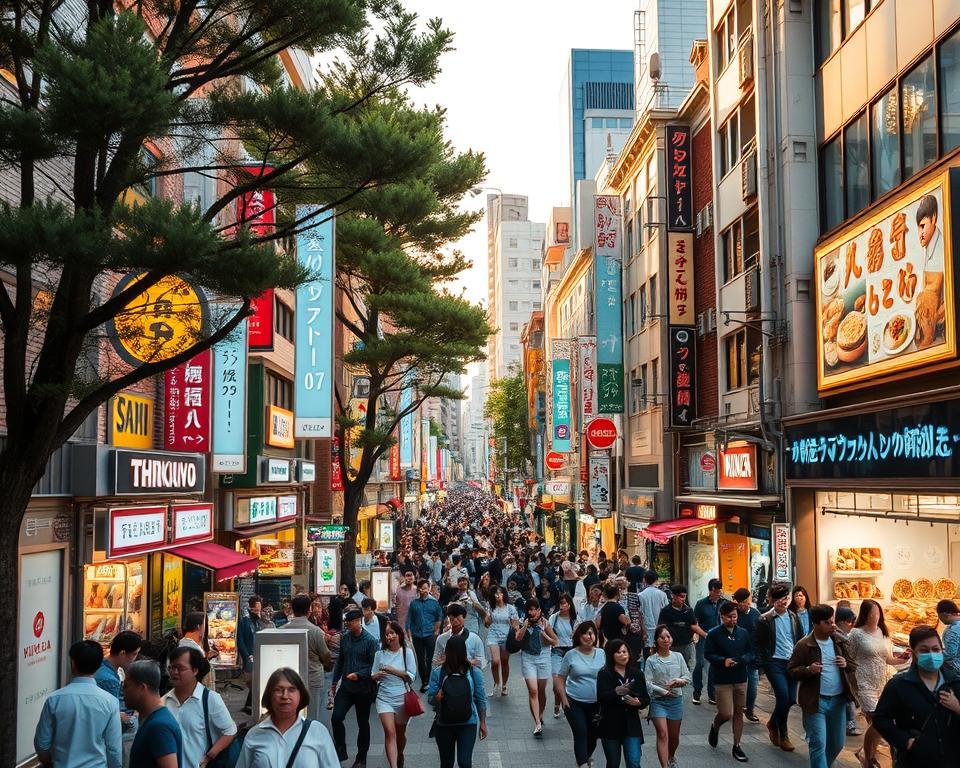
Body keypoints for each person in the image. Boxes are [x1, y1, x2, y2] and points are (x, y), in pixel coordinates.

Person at [872, 625, 960, 767]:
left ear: (942, 651)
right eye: (924, 651)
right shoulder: (899, 685)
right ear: (913, 654)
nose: (931, 655)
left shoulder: (955, 683)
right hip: (914, 760)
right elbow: (880, 719)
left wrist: (957, 708)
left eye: (936, 649)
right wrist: (905, 741)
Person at [787, 603, 859, 768]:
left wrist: (845, 663)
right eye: (827, 622)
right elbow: (791, 670)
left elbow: (853, 665)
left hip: (838, 701)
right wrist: (808, 669)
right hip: (815, 702)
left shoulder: (839, 641)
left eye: (832, 621)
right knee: (818, 744)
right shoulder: (804, 645)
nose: (832, 625)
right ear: (816, 624)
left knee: (837, 743)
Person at [34, 639, 123, 768]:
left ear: (73, 663)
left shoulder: (54, 700)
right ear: (98, 666)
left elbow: (42, 744)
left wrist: (48, 761)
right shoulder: (110, 702)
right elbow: (114, 749)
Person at [846, 599, 909, 768]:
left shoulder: (882, 631)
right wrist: (851, 683)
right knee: (877, 722)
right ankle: (868, 757)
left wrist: (900, 659)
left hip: (883, 681)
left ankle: (865, 754)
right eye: (872, 613)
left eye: (878, 613)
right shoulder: (856, 634)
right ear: (865, 615)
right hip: (864, 681)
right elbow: (849, 659)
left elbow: (887, 658)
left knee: (880, 724)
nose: (875, 616)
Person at [238, 667, 339, 768]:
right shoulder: (254, 735)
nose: (285, 696)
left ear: (301, 695)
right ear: (269, 696)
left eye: (291, 690)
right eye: (278, 690)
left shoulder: (317, 731)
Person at [163, 646, 237, 768]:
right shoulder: (165, 701)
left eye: (180, 668)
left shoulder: (210, 699)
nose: (174, 672)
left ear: (195, 670)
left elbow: (230, 730)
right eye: (171, 667)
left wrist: (211, 754)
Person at [753, 582, 802, 751]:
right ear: (772, 600)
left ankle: (773, 723)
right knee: (783, 697)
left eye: (786, 598)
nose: (784, 602)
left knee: (791, 699)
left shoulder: (794, 617)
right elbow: (758, 644)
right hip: (774, 662)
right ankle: (784, 734)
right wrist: (761, 665)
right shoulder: (764, 619)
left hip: (792, 662)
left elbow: (800, 640)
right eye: (780, 599)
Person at [427, 633, 488, 768]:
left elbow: (480, 698)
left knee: (464, 762)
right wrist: (436, 698)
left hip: (468, 723)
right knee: (447, 763)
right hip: (444, 723)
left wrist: (483, 722)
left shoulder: (473, 672)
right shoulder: (438, 672)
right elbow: (430, 698)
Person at [330, 608, 379, 768]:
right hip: (346, 686)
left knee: (362, 722)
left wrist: (359, 674)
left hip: (363, 688)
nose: (348, 626)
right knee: (336, 717)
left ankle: (361, 757)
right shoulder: (345, 639)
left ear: (359, 621)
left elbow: (375, 666)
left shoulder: (370, 641)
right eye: (346, 623)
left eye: (350, 623)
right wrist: (334, 681)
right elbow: (340, 660)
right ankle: (341, 748)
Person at [705, 601, 752, 763]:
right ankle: (715, 725)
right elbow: (708, 654)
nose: (733, 620)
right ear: (722, 617)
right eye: (729, 617)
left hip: (740, 677)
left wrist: (744, 659)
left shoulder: (744, 633)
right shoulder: (714, 633)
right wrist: (722, 661)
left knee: (739, 712)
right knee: (726, 713)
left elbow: (751, 652)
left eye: (735, 616)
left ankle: (737, 745)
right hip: (722, 679)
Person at [557, 622, 606, 768]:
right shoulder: (570, 655)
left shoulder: (602, 654)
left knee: (593, 735)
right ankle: (583, 763)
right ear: (579, 636)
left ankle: (586, 756)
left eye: (591, 633)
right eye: (585, 633)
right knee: (581, 733)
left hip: (597, 704)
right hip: (574, 702)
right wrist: (563, 699)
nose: (588, 636)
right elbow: (560, 678)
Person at [644, 625, 692, 768]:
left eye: (668, 637)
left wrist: (679, 681)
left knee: (674, 737)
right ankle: (664, 765)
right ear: (656, 640)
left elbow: (687, 676)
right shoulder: (651, 660)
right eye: (662, 637)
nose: (666, 640)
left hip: (676, 700)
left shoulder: (678, 657)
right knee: (662, 733)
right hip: (658, 701)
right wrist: (662, 691)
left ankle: (671, 756)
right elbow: (647, 682)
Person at [372, 621, 418, 768]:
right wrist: (376, 675)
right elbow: (372, 674)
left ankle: (400, 754)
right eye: (386, 634)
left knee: (400, 733)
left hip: (402, 697)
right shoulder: (380, 653)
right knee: (390, 732)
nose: (389, 637)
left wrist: (392, 671)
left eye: (392, 633)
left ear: (399, 635)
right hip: (384, 697)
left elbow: (412, 676)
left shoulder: (407, 652)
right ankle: (393, 765)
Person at [597, 639, 648, 768]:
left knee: (634, 762)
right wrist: (615, 692)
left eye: (624, 651)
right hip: (610, 724)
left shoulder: (637, 673)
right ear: (611, 655)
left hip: (631, 724)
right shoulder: (604, 674)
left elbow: (645, 698)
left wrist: (638, 702)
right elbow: (601, 697)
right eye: (618, 652)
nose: (622, 655)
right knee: (613, 763)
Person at [281, 594, 333, 719]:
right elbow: (326, 656)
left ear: (292, 610)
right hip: (312, 677)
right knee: (311, 716)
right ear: (309, 610)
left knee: (289, 714)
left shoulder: (282, 630)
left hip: (288, 677)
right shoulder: (316, 631)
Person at [124, 659, 184, 767]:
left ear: (142, 688)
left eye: (126, 686)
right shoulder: (153, 720)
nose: (123, 691)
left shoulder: (159, 726)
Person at [515, 597, 558, 736]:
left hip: (543, 657)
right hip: (528, 658)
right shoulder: (524, 621)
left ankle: (540, 713)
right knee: (533, 691)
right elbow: (518, 638)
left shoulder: (545, 623)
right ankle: (537, 723)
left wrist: (544, 633)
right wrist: (525, 626)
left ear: (539, 610)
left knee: (541, 690)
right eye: (530, 609)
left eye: (535, 609)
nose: (532, 612)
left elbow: (555, 641)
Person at [95, 629, 142, 737]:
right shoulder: (110, 680)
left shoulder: (102, 666)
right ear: (122, 653)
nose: (134, 659)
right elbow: (113, 719)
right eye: (134, 654)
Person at [657, 584, 705, 677]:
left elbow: (694, 626)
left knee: (686, 669)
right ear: (673, 596)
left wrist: (705, 635)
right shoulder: (666, 611)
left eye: (684, 597)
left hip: (687, 645)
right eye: (681, 597)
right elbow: (660, 627)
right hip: (672, 646)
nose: (683, 599)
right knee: (672, 669)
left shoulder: (688, 610)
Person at [406, 578, 444, 692]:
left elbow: (439, 617)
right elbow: (409, 620)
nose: (423, 590)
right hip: (417, 635)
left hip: (430, 634)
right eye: (421, 588)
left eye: (425, 588)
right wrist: (409, 635)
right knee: (421, 660)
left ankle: (429, 679)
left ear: (428, 589)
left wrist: (436, 630)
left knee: (430, 658)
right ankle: (424, 681)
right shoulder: (414, 603)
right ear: (418, 590)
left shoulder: (434, 602)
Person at [693, 578, 725, 705]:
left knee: (714, 665)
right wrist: (703, 634)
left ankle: (712, 694)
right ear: (711, 590)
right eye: (716, 591)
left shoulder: (722, 603)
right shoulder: (701, 604)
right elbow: (695, 622)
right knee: (700, 663)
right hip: (704, 637)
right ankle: (697, 691)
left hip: (718, 639)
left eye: (720, 591)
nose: (719, 594)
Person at [732, 587, 762, 722]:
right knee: (737, 684)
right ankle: (736, 708)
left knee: (753, 684)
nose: (745, 604)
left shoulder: (756, 614)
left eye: (747, 600)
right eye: (742, 602)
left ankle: (749, 709)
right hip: (737, 655)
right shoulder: (734, 615)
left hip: (753, 655)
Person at [833, 605, 862, 736]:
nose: (852, 625)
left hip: (845, 671)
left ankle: (848, 723)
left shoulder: (844, 634)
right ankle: (850, 725)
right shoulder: (837, 634)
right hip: (841, 672)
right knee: (848, 698)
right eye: (851, 622)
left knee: (847, 699)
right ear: (843, 621)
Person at [485, 585, 519, 696]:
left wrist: (514, 626)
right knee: (495, 661)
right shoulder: (490, 607)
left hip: (506, 636)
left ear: (504, 594)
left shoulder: (510, 608)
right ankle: (496, 683)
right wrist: (487, 619)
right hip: (493, 634)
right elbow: (487, 624)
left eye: (499, 593)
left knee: (504, 661)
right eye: (495, 593)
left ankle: (504, 685)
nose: (497, 595)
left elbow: (516, 624)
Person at [432, 603, 487, 671]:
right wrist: (443, 662)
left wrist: (468, 662)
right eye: (452, 618)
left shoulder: (474, 638)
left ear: (464, 617)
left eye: (458, 617)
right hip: (448, 674)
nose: (455, 621)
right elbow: (435, 662)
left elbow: (482, 661)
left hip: (468, 672)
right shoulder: (441, 639)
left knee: (477, 673)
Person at [238, 595, 268, 714]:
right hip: (249, 655)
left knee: (257, 681)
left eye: (259, 609)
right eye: (256, 610)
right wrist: (246, 655)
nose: (258, 612)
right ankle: (250, 704)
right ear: (251, 608)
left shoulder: (260, 621)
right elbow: (240, 640)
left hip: (260, 654)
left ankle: (250, 704)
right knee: (251, 680)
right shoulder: (245, 621)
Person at [549, 592, 577, 718]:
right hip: (557, 651)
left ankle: (565, 704)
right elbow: (547, 631)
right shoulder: (554, 618)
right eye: (560, 603)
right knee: (557, 683)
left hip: (571, 652)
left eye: (565, 603)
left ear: (569, 604)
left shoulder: (575, 619)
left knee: (568, 682)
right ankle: (557, 703)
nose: (562, 605)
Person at [180, 611, 218, 687]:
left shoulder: (193, 643)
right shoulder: (190, 646)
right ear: (198, 626)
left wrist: (207, 658)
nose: (206, 628)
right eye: (204, 625)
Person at [637, 570, 668, 659]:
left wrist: (643, 631)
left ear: (645, 580)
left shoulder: (641, 595)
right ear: (657, 580)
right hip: (660, 628)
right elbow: (665, 612)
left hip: (647, 629)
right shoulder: (662, 594)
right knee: (661, 654)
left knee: (648, 656)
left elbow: (640, 615)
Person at [599, 582, 631, 646]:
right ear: (617, 594)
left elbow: (599, 624)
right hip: (617, 639)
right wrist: (625, 631)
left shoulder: (604, 607)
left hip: (607, 639)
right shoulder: (618, 608)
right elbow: (627, 622)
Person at [937, 599, 960, 677]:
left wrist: (934, 655)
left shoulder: (952, 631)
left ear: (944, 614)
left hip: (956, 671)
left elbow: (950, 654)